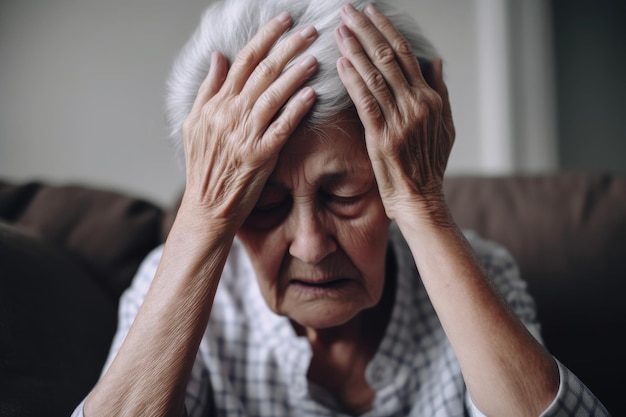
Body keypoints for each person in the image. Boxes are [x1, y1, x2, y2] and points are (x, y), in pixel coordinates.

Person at [72, 0, 610, 416]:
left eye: (346, 196)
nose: (311, 245)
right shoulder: (172, 290)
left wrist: (423, 202)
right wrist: (206, 216)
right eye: (264, 205)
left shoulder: (486, 272)